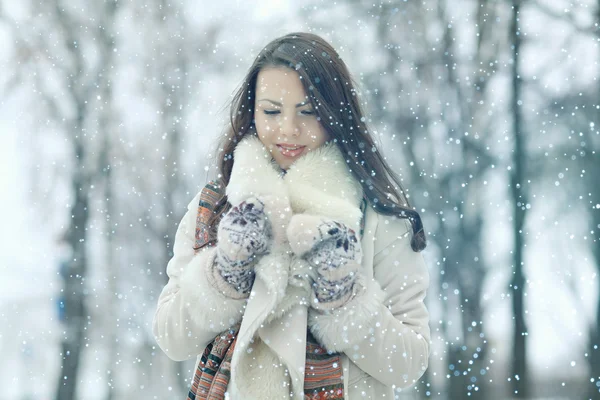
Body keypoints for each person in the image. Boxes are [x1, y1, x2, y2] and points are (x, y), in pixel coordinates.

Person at [153, 31, 430, 399]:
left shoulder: (378, 215)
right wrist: (226, 273)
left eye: (308, 112)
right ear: (251, 112)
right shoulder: (217, 205)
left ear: (336, 114)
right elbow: (172, 337)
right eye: (271, 111)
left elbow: (408, 363)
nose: (288, 129)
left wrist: (341, 297)